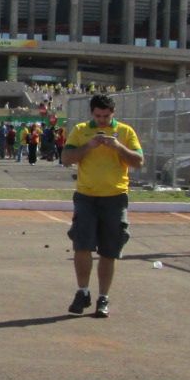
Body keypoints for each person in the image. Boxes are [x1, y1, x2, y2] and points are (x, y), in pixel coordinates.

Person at [60, 94, 144, 319]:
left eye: (106, 116)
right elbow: (66, 158)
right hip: (86, 196)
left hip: (115, 197)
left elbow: (138, 161)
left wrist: (117, 147)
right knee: (81, 245)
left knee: (110, 250)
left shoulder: (125, 132)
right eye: (98, 116)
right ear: (92, 113)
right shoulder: (80, 130)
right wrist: (89, 146)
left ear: (113, 113)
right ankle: (82, 291)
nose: (102, 121)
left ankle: (103, 297)